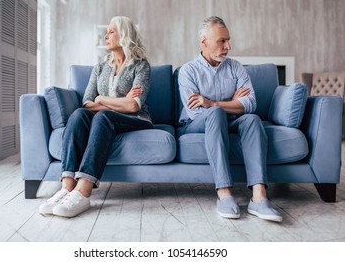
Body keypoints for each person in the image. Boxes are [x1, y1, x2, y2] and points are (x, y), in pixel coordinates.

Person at [39, 16, 153, 218]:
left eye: (111, 31)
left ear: (124, 35)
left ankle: (83, 191)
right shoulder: (100, 67)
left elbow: (133, 105)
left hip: (137, 120)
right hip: (109, 115)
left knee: (103, 117)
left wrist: (102, 100)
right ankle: (67, 186)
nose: (105, 35)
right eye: (106, 31)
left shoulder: (141, 66)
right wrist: (111, 101)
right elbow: (87, 102)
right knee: (79, 114)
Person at [178, 16, 282, 222]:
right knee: (214, 114)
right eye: (221, 41)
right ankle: (224, 193)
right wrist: (232, 104)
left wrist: (213, 103)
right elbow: (197, 113)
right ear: (204, 41)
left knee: (251, 119)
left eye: (228, 40)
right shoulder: (188, 71)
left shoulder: (236, 67)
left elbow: (250, 103)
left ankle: (259, 197)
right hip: (195, 126)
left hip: (225, 119)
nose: (228, 46)